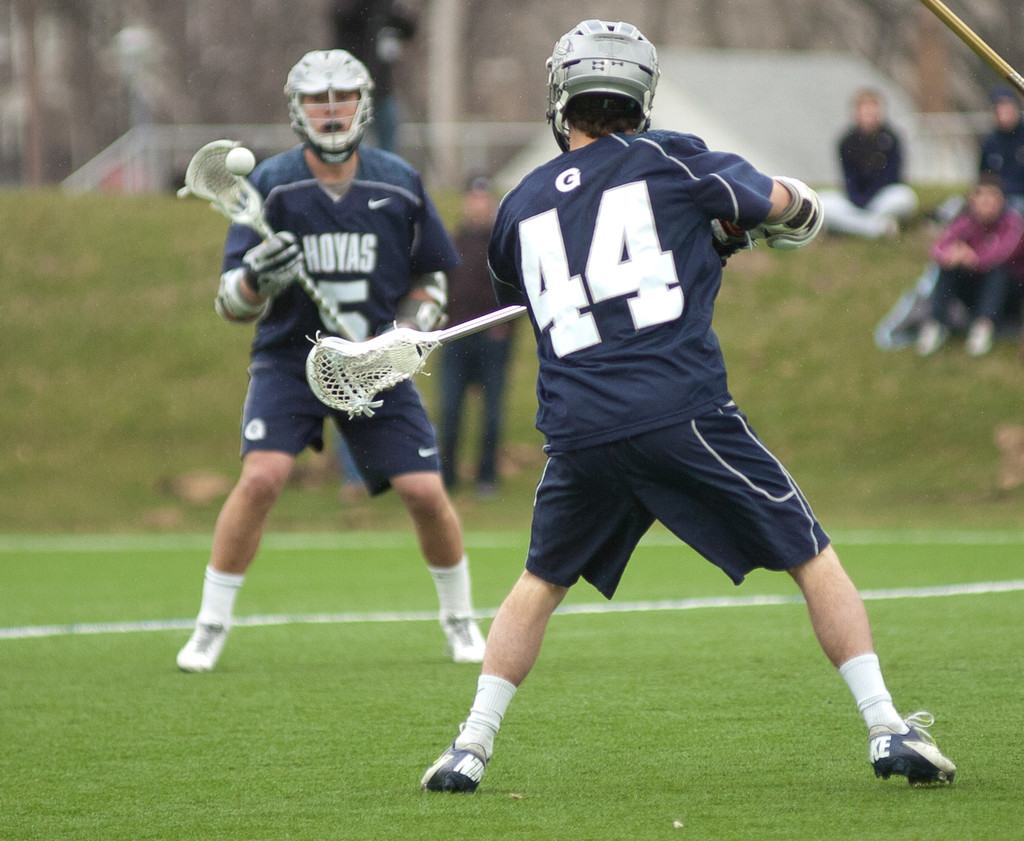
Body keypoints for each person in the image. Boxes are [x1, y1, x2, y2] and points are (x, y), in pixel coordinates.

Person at [421, 20, 956, 794]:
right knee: (809, 550)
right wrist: (784, 212)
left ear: (561, 94)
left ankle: (469, 746)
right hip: (679, 411)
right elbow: (783, 208)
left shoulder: (516, 206)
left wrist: (704, 241)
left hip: (579, 431)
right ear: (641, 93)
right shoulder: (672, 156)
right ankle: (884, 725)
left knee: (539, 579)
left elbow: (544, 295)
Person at [176, 49, 486, 673]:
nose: (331, 108)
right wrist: (258, 280)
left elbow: (431, 283)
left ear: (363, 103)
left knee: (425, 490)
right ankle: (210, 625)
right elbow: (230, 305)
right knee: (262, 478)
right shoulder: (272, 184)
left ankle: (460, 619)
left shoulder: (397, 180)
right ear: (297, 110)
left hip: (371, 360)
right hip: (290, 358)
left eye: (342, 96)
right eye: (318, 98)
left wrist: (409, 333)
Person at [438, 176, 515, 496]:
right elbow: (439, 287)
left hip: (492, 340)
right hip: (455, 338)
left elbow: (518, 290)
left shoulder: (503, 244)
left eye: (484, 199)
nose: (479, 205)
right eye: (474, 198)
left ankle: (486, 477)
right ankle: (447, 477)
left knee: (492, 414)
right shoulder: (450, 242)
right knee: (450, 410)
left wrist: (506, 326)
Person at [916, 173, 1024, 356]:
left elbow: (1003, 253)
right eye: (980, 195)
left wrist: (973, 258)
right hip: (974, 289)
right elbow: (938, 247)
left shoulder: (1013, 222)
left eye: (992, 196)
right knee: (948, 266)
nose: (986, 202)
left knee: (998, 271)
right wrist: (952, 255)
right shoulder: (966, 221)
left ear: (1002, 200)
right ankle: (936, 324)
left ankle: (983, 327)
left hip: (1009, 294)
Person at [819, 88, 918, 238]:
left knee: (905, 197)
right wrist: (858, 200)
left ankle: (850, 225)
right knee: (820, 204)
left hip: (882, 199)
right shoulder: (847, 142)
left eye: (873, 110)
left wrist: (870, 197)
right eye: (865, 111)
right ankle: (875, 228)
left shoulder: (891, 139)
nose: (869, 116)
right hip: (855, 201)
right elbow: (848, 177)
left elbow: (892, 176)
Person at [332, 0, 418, 153]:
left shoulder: (386, 8)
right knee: (353, 143)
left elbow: (409, 28)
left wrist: (393, 14)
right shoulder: (350, 8)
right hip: (351, 92)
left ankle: (386, 175)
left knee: (389, 141)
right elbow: (341, 16)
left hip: (382, 89)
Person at [979, 86, 1024, 212]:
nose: (1003, 111)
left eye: (1006, 106)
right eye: (998, 106)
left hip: (1019, 198)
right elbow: (984, 177)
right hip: (996, 199)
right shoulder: (990, 142)